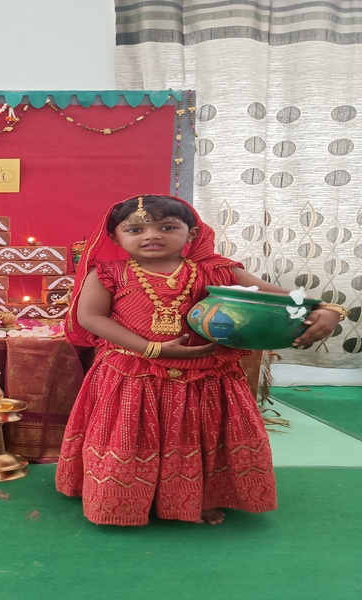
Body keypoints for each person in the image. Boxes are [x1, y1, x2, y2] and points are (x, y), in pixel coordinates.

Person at [56, 194, 346, 527]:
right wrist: (153, 349)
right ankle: (121, 497)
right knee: (130, 435)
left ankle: (200, 496)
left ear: (192, 234)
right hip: (133, 375)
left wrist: (329, 309)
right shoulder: (108, 273)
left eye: (167, 227)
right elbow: (91, 317)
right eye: (135, 229)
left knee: (198, 435)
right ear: (114, 237)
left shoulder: (216, 271)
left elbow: (282, 298)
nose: (152, 235)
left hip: (207, 377)